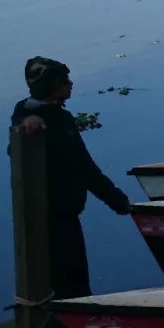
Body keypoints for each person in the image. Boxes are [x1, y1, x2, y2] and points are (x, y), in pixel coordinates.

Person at [10, 57, 132, 298]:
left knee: (76, 280)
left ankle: (74, 327)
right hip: (44, 220)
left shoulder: (62, 118)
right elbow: (21, 125)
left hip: (69, 215)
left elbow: (85, 167)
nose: (71, 84)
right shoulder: (27, 116)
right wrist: (28, 122)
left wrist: (117, 200)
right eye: (64, 81)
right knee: (53, 281)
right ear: (49, 86)